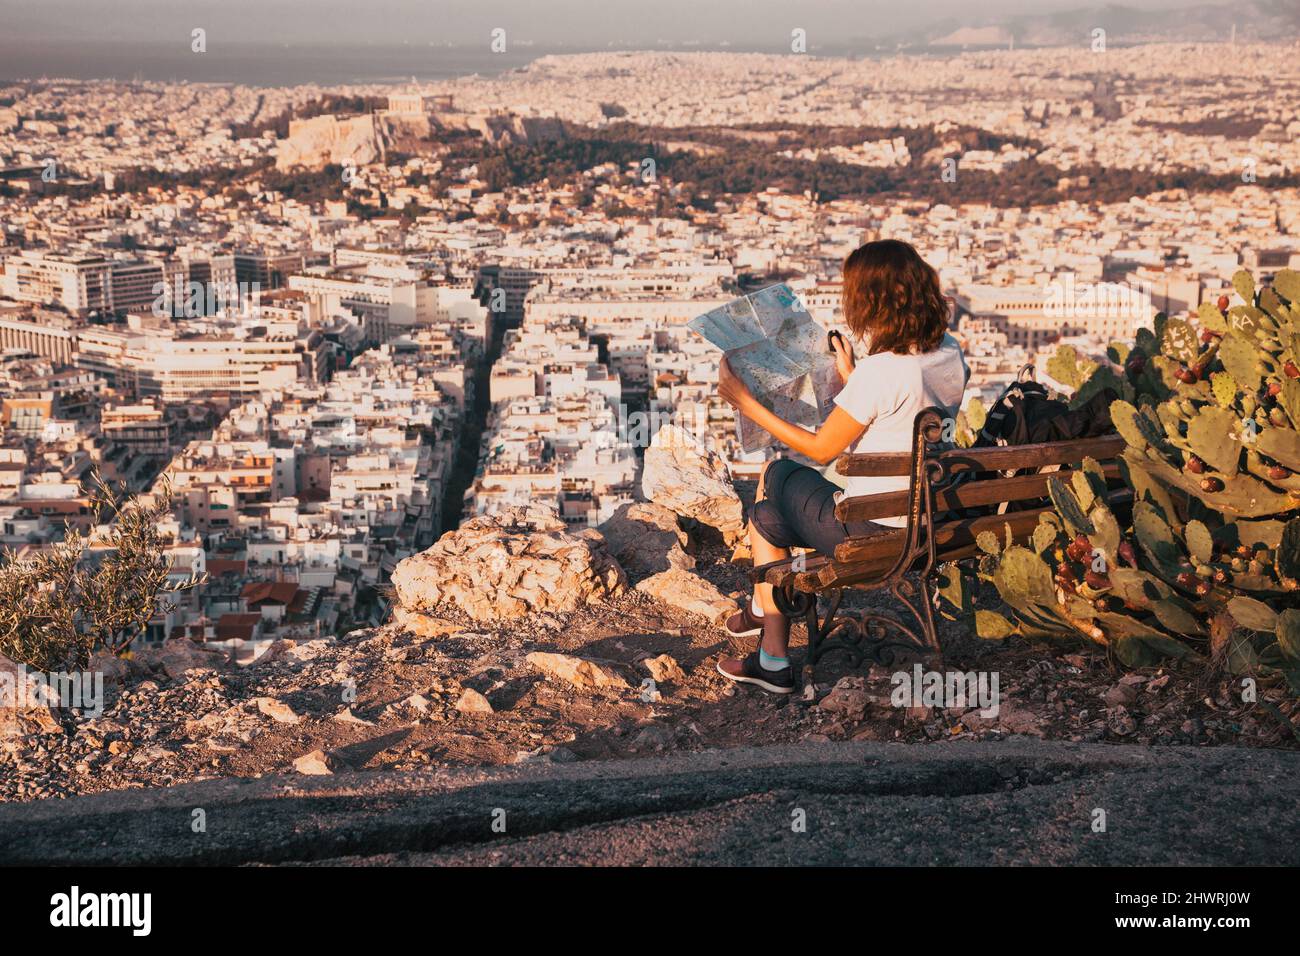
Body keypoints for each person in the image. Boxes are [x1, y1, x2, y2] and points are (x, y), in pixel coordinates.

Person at [714, 239, 970, 694]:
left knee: (775, 476)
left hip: (871, 532)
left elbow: (820, 450)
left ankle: (767, 631)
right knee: (764, 518)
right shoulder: (950, 352)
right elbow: (905, 405)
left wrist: (748, 405)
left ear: (872, 301)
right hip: (927, 519)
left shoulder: (883, 372)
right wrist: (855, 378)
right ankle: (767, 647)